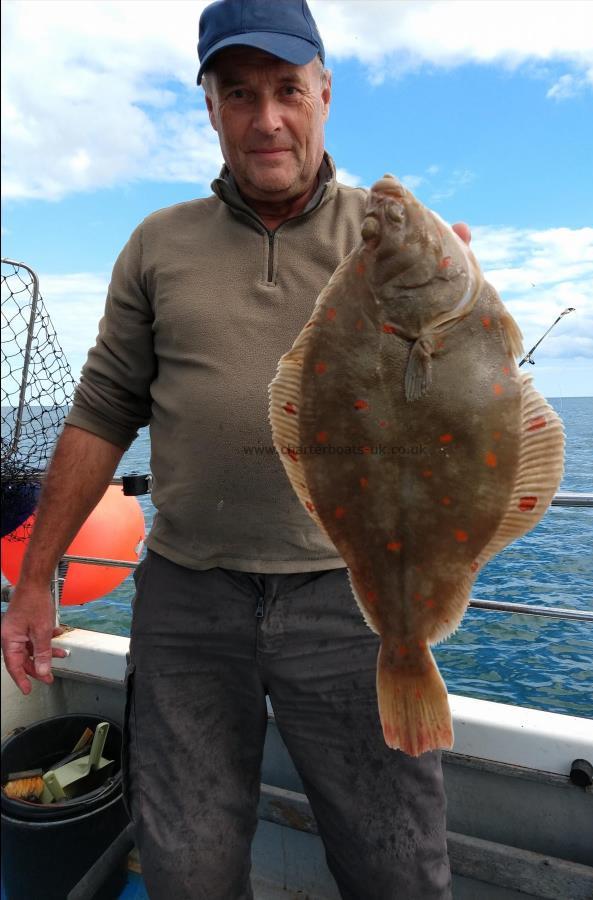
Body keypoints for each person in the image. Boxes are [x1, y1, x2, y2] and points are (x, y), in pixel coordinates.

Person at [1, 1, 471, 897]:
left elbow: (456, 406)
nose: (266, 119)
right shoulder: (157, 244)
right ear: (209, 104)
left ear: (324, 93)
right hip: (188, 601)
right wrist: (33, 580)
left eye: (288, 89)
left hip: (352, 596)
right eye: (238, 92)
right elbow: (101, 409)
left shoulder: (385, 234)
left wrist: (451, 301)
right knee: (188, 867)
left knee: (398, 866)